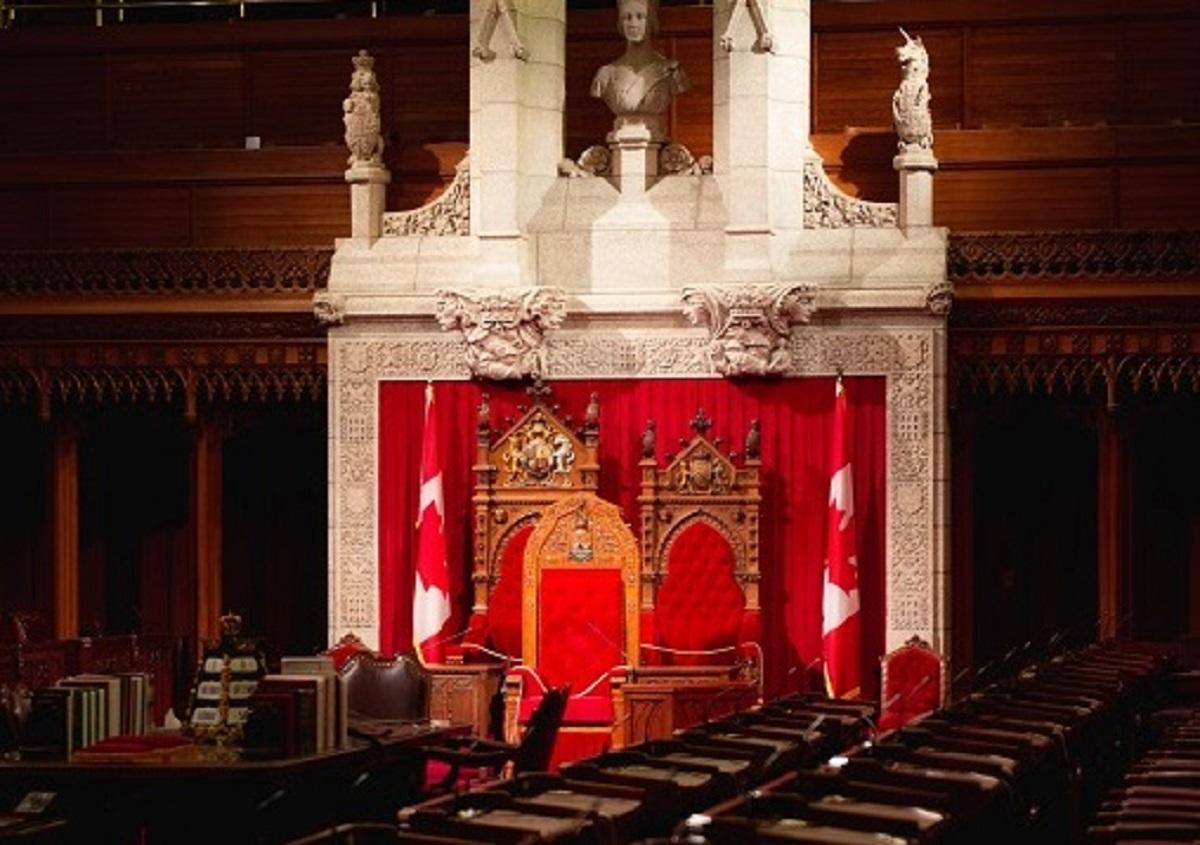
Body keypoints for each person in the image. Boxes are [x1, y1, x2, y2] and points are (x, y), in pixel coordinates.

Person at [590, 0, 690, 141]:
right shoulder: (605, 74)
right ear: (620, 24)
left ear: (652, 21)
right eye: (627, 17)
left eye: (640, 16)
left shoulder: (672, 71)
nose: (633, 23)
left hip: (653, 137)